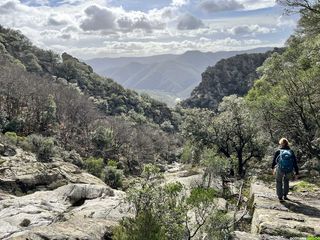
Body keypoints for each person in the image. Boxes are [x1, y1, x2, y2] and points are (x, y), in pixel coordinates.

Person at [272, 138, 299, 202]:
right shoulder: (291, 152)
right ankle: (285, 195)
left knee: (279, 181)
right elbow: (295, 162)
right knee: (286, 181)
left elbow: (274, 161)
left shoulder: (278, 151)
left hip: (280, 168)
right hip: (289, 169)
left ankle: (280, 197)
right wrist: (297, 172)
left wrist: (272, 168)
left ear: (281, 143)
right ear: (287, 143)